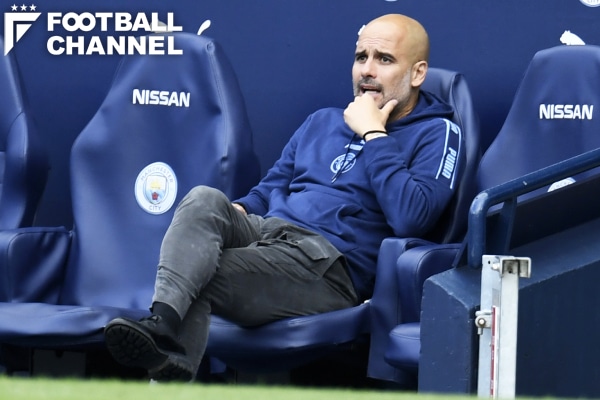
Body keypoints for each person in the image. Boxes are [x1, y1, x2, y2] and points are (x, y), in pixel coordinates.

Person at [104, 13, 463, 382]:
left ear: (417, 74)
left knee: (198, 276)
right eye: (361, 57)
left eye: (384, 59)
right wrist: (232, 216)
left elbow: (411, 216)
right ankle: (162, 326)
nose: (367, 70)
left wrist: (373, 132)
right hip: (268, 235)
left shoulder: (436, 132)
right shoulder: (322, 121)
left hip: (327, 267)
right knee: (203, 199)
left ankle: (166, 362)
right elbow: (268, 190)